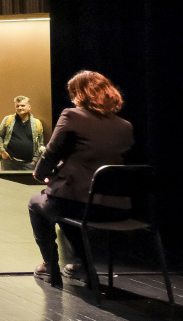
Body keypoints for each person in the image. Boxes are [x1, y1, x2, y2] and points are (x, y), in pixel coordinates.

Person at [28, 71, 134, 287]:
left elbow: (51, 152)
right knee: (68, 204)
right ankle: (84, 266)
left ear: (81, 93)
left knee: (38, 203)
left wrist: (40, 174)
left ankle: (50, 265)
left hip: (78, 205)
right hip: (116, 209)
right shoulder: (126, 126)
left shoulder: (72, 115)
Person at [0, 96, 46, 171]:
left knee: (26, 183)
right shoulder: (8, 120)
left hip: (28, 164)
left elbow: (40, 144)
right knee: (7, 182)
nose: (20, 108)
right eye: (17, 106)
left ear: (29, 107)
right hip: (9, 162)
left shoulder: (37, 123)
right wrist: (2, 151)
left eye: (22, 105)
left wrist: (35, 160)